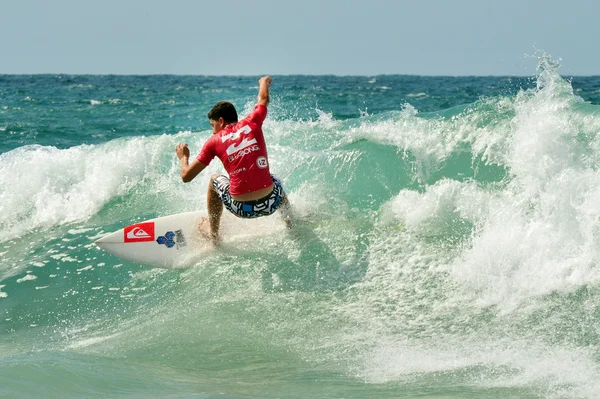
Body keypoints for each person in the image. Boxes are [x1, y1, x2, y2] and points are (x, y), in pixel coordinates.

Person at [175, 76, 291, 245]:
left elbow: (186, 176)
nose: (213, 131)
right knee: (274, 180)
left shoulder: (213, 142)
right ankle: (291, 222)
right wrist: (263, 82)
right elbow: (264, 99)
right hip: (271, 203)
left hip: (241, 209)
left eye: (212, 125)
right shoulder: (252, 122)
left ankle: (214, 236)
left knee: (214, 179)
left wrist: (183, 157)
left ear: (221, 121)